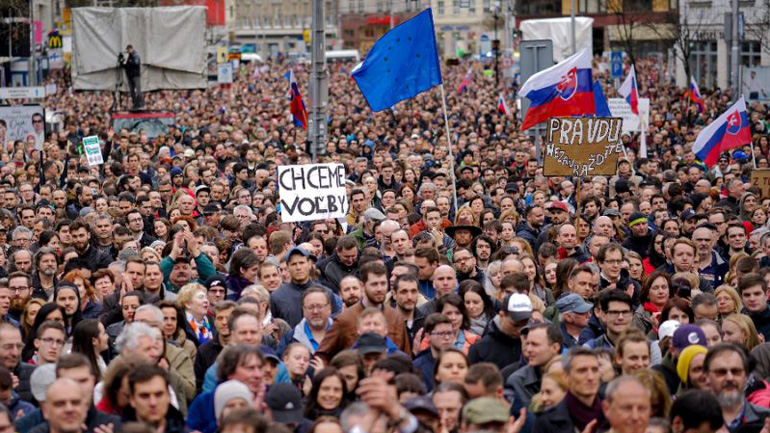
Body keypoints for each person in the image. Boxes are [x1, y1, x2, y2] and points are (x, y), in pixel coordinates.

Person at [316, 261, 409, 363]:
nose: (380, 289)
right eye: (374, 284)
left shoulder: (396, 318)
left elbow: (406, 358)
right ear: (362, 286)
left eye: (383, 283)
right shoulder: (345, 319)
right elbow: (322, 355)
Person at [532, 347, 604, 433]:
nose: (590, 377)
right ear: (566, 377)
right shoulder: (545, 422)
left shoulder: (611, 412)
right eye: (582, 371)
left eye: (595, 370)